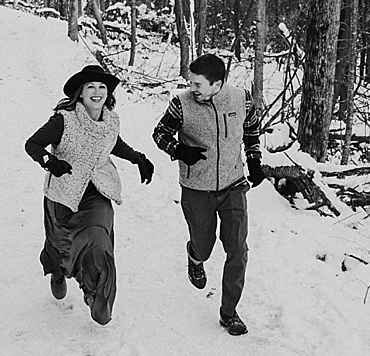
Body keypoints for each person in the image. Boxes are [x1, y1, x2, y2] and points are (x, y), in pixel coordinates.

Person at [25, 65, 154, 325]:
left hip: (96, 191)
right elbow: (32, 144)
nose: (97, 92)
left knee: (98, 241)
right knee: (61, 242)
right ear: (80, 93)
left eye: (102, 87)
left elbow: (112, 142)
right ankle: (59, 271)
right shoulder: (64, 119)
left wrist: (137, 158)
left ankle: (97, 297)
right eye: (91, 87)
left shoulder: (110, 120)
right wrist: (50, 162)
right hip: (64, 192)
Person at [152, 53, 265, 336]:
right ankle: (195, 256)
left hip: (233, 184)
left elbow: (251, 128)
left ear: (218, 83)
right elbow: (160, 133)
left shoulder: (241, 99)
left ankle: (229, 313)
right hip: (197, 188)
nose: (193, 89)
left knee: (238, 250)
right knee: (204, 245)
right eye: (191, 83)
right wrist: (178, 150)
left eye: (198, 85)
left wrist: (254, 159)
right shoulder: (181, 104)